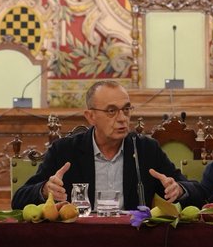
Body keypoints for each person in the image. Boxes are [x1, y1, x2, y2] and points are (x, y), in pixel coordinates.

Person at [11, 80, 202, 210]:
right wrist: (45, 190)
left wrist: (178, 189)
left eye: (126, 110)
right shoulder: (65, 150)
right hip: (79, 242)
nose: (122, 119)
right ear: (90, 116)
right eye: (111, 111)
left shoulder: (144, 149)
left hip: (133, 242)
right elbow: (19, 200)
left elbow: (198, 192)